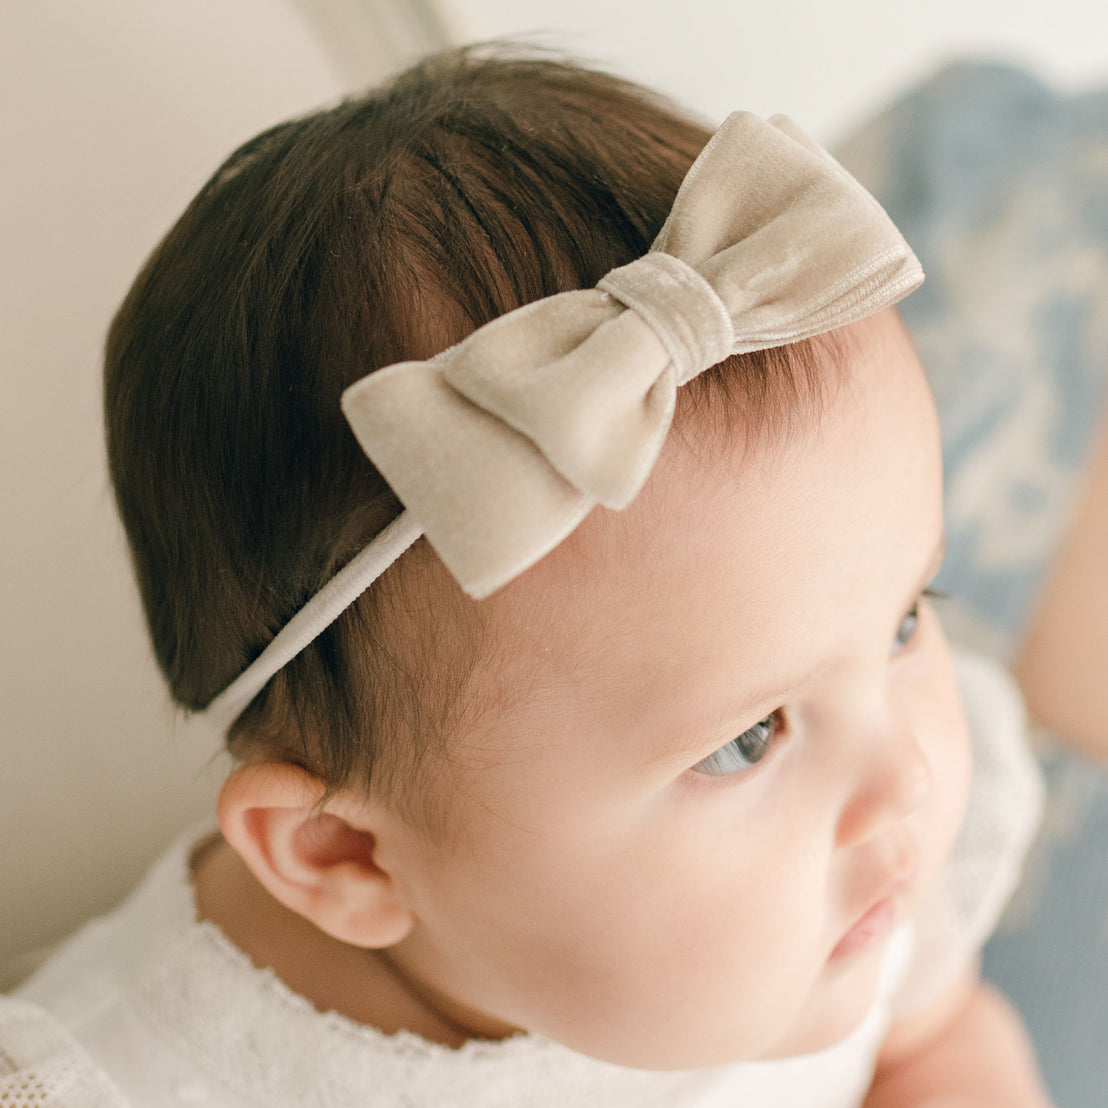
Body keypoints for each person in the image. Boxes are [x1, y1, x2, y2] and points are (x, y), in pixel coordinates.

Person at [1, 47, 1052, 1106]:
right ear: (345, 858)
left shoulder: (852, 899)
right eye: (746, 738)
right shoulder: (116, 1083)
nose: (906, 775)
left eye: (907, 621)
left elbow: (930, 1040)